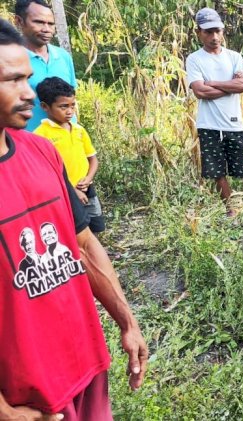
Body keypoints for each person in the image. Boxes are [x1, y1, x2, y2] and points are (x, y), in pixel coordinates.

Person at [0, 19, 147, 420]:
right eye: (12, 81)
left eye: (27, 79)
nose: (29, 93)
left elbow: (83, 245)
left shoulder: (42, 153)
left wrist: (127, 321)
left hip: (84, 359)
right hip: (28, 393)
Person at [185, 7, 243, 217]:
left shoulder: (234, 57)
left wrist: (214, 83)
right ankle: (230, 210)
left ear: (223, 31)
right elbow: (200, 91)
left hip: (234, 123)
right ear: (198, 32)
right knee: (218, 173)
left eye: (217, 31)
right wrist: (230, 84)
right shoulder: (194, 59)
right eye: (208, 32)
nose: (214, 37)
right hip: (208, 125)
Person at [34, 76, 106, 234]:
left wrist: (88, 179)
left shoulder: (78, 129)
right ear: (45, 107)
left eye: (73, 105)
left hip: (87, 188)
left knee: (95, 226)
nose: (70, 111)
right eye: (63, 106)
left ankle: (96, 255)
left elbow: (92, 158)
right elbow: (47, 174)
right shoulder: (40, 136)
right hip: (64, 194)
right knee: (75, 230)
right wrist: (73, 191)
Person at [14, 0, 77, 131]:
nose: (47, 29)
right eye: (39, 22)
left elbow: (72, 100)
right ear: (19, 21)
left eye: (51, 24)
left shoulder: (62, 57)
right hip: (28, 143)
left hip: (68, 143)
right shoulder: (9, 58)